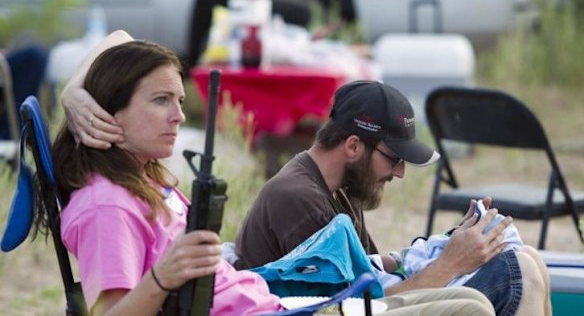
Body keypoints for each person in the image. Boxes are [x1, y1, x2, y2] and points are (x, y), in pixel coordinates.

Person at [55, 30, 497, 316]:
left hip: (275, 304)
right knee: (472, 310)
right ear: (111, 107)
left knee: (472, 301)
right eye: (160, 101)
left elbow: (120, 39)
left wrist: (73, 91)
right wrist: (162, 278)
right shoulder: (106, 204)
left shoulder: (142, 180)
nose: (177, 116)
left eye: (180, 102)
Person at [231, 80, 551, 316]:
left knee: (530, 258)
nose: (399, 173)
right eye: (394, 158)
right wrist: (451, 263)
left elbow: (374, 274)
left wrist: (450, 242)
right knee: (517, 269)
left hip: (358, 307)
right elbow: (354, 307)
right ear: (354, 146)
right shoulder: (300, 200)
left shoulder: (342, 187)